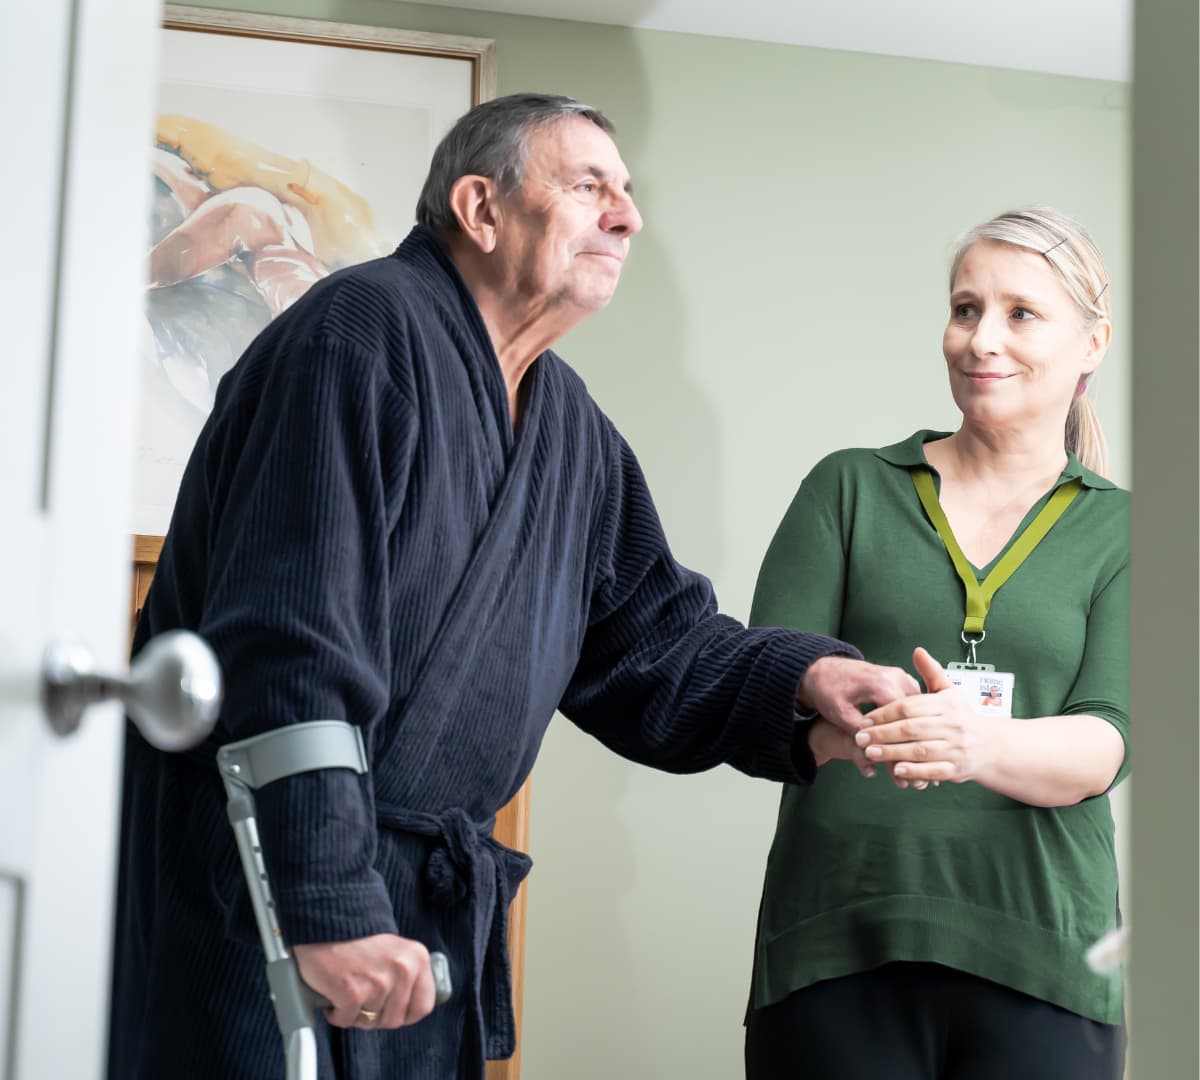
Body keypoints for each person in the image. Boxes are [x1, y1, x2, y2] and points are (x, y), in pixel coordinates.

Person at [109, 93, 915, 1080]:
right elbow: (287, 642)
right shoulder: (355, 336)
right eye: (589, 187)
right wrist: (324, 905)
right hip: (266, 874)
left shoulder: (570, 429)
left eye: (627, 193)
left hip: (414, 918)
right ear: (481, 209)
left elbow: (653, 647)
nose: (627, 215)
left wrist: (804, 687)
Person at [743, 206, 1129, 1080]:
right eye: (965, 309)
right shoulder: (848, 488)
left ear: (1092, 342)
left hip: (1045, 958)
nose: (980, 339)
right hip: (837, 940)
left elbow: (1107, 740)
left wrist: (972, 742)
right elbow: (761, 685)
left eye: (1020, 313)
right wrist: (823, 704)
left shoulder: (1131, 532)